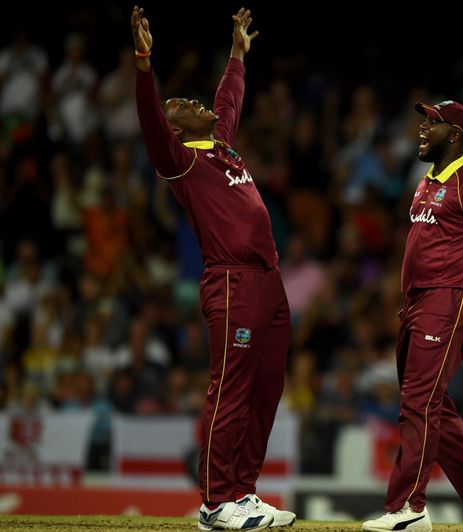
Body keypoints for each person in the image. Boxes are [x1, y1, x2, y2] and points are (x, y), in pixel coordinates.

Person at [131, 6, 294, 530]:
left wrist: (237, 55)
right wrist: (143, 63)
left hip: (270, 281)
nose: (192, 103)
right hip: (232, 279)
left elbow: (229, 99)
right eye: (181, 104)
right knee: (230, 389)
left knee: (266, 390)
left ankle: (242, 493)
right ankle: (214, 502)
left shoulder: (219, 145)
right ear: (175, 130)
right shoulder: (180, 160)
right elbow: (152, 119)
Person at [361, 100, 463, 532]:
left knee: (418, 403)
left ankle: (409, 507)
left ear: (457, 135)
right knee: (429, 403)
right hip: (419, 302)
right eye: (423, 119)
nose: (422, 127)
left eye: (433, 122)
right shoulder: (429, 180)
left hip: (450, 301)